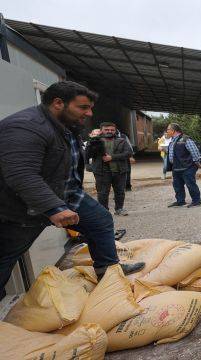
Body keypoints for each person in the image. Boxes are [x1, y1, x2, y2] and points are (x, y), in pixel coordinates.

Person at [0, 81, 144, 298]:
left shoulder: (66, 126)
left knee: (100, 220)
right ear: (58, 103)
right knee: (7, 254)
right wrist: (54, 207)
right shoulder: (25, 126)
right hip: (24, 205)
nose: (89, 113)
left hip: (65, 194)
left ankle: (108, 272)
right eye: (83, 107)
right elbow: (22, 174)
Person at [87, 122, 133, 216]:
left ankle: (119, 209)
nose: (110, 131)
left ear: (115, 131)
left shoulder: (122, 140)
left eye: (112, 130)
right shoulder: (94, 141)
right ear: (101, 131)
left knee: (120, 192)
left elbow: (128, 153)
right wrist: (92, 141)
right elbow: (88, 155)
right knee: (102, 193)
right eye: (106, 130)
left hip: (120, 171)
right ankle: (104, 212)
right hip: (102, 171)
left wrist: (112, 157)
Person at [166, 123, 201, 208]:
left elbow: (195, 152)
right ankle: (180, 201)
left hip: (187, 167)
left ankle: (197, 201)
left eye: (168, 130)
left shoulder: (186, 139)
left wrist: (197, 163)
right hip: (176, 167)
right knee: (177, 185)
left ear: (173, 130)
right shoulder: (172, 140)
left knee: (190, 184)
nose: (167, 131)